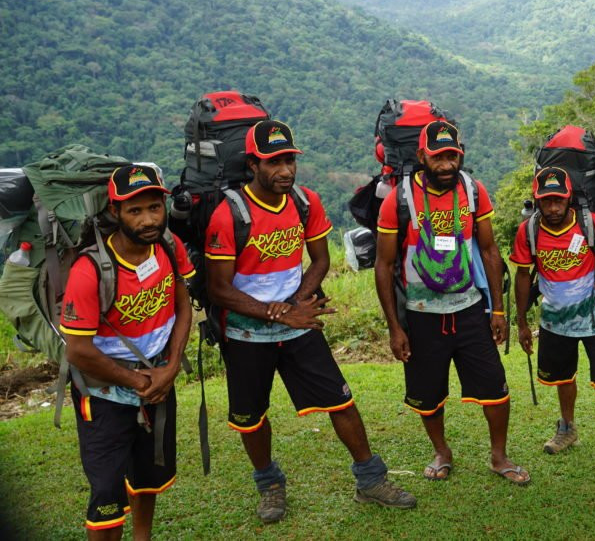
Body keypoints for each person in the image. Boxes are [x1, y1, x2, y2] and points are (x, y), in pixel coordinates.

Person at [205, 120, 415, 523]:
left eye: (289, 160)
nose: (285, 170)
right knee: (251, 417)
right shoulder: (229, 214)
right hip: (246, 332)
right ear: (253, 165)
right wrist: (281, 311)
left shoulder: (304, 201)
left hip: (298, 324)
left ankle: (370, 479)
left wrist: (298, 303)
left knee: (341, 400)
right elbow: (219, 289)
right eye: (274, 162)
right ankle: (269, 484)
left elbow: (320, 260)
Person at [374, 120, 529, 485]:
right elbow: (383, 265)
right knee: (427, 394)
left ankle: (499, 456)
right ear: (421, 156)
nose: (446, 165)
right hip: (421, 316)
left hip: (470, 309)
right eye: (438, 157)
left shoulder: (473, 191)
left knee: (495, 387)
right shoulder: (399, 199)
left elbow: (490, 251)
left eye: (452, 156)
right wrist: (395, 328)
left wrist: (498, 310)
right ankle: (442, 451)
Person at [60, 164, 194, 540]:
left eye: (154, 207)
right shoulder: (90, 271)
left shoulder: (169, 246)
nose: (149, 219)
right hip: (103, 392)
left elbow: (183, 305)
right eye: (135, 210)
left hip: (157, 379)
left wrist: (167, 371)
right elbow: (79, 352)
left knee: (147, 475)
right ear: (114, 212)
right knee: (106, 494)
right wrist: (138, 380)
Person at [510, 166, 595, 466]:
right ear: (537, 200)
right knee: (562, 377)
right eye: (546, 201)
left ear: (569, 198)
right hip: (554, 323)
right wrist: (521, 322)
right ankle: (567, 428)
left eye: (558, 200)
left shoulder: (590, 224)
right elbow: (521, 276)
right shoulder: (528, 231)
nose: (553, 208)